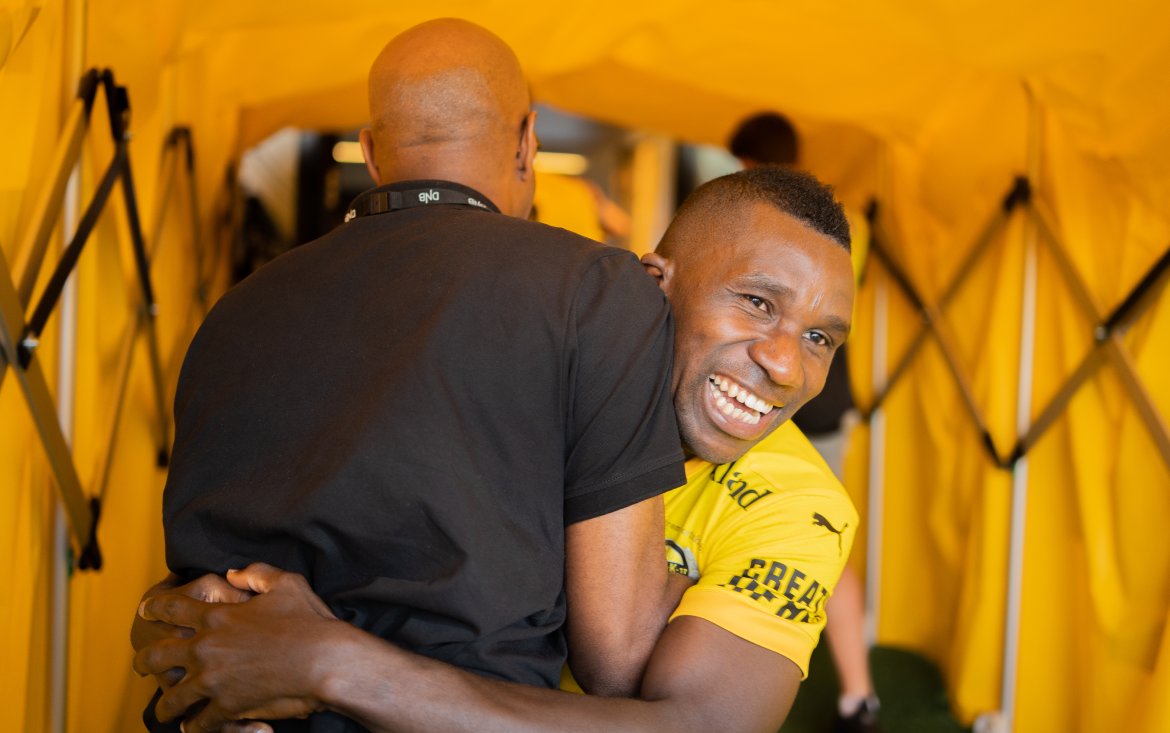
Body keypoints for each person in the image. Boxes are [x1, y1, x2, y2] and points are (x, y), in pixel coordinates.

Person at [135, 165, 859, 733]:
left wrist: (334, 667)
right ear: (652, 287)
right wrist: (199, 613)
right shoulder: (526, 386)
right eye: (756, 303)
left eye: (820, 338)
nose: (786, 365)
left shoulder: (799, 506)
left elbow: (700, 725)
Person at [136, 18, 690, 732]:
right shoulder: (597, 290)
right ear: (527, 141)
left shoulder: (233, 311)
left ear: (370, 153)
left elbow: (190, 600)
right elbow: (616, 659)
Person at [730, 111, 880, 733]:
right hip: (824, 396)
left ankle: (852, 693)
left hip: (781, 398)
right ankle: (858, 696)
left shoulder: (765, 218)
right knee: (826, 538)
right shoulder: (847, 222)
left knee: (812, 536)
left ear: (752, 160)